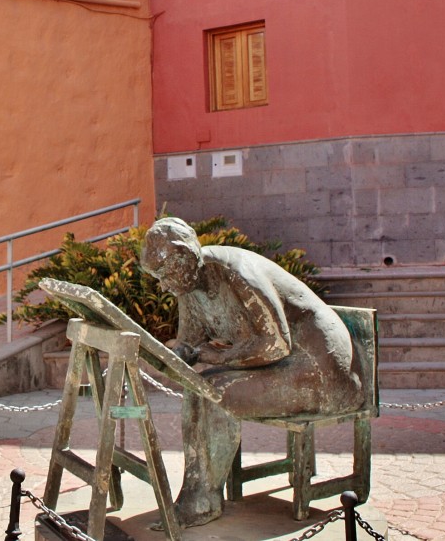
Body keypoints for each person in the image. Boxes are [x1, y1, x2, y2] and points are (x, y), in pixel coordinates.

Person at [140, 217, 365, 527]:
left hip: (323, 371)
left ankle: (201, 500)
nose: (163, 285)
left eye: (164, 274)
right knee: (201, 387)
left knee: (214, 393)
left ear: (184, 255)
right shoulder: (190, 284)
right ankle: (200, 495)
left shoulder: (237, 272)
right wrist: (172, 355)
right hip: (284, 366)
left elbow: (275, 345)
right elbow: (190, 341)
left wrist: (216, 356)